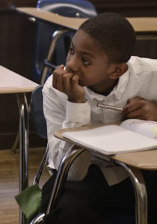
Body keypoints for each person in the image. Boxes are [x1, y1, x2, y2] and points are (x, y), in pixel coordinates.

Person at [40, 12, 157, 224]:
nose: (71, 65)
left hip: (142, 172)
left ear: (116, 70)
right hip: (85, 177)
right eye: (71, 51)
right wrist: (76, 103)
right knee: (70, 211)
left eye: (85, 60)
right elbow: (72, 172)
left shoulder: (150, 75)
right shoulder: (55, 90)